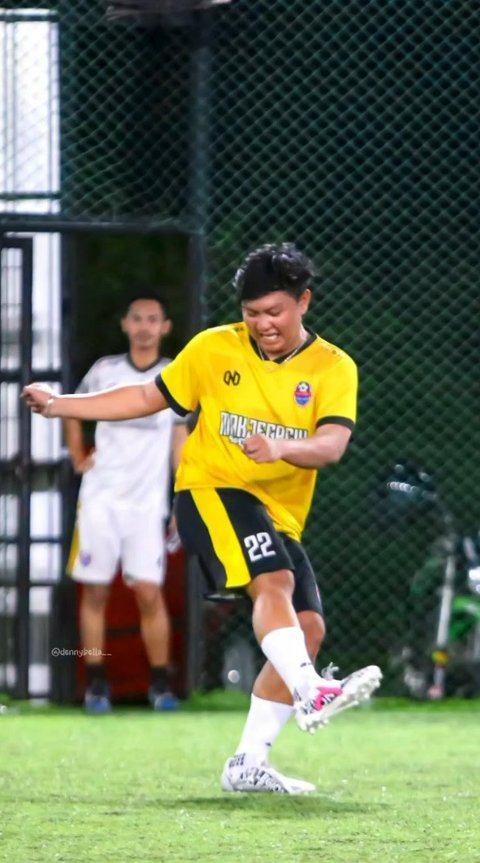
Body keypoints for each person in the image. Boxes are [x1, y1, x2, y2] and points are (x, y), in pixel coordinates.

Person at [23, 243, 381, 790]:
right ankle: (312, 691)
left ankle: (248, 764)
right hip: (210, 490)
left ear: (303, 302)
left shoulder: (334, 367)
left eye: (274, 312)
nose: (262, 324)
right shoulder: (214, 348)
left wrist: (284, 449)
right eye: (251, 313)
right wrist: (61, 403)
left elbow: (332, 444)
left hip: (278, 512)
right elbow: (146, 396)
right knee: (275, 582)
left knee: (307, 629)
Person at [64, 291, 188, 713]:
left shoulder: (174, 375)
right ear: (126, 325)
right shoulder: (105, 371)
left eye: (153, 319)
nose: (145, 326)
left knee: (150, 593)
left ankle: (160, 684)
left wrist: (181, 499)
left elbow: (179, 441)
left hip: (147, 505)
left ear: (165, 327)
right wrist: (79, 455)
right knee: (95, 592)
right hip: (100, 499)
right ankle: (96, 682)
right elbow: (72, 409)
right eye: (137, 318)